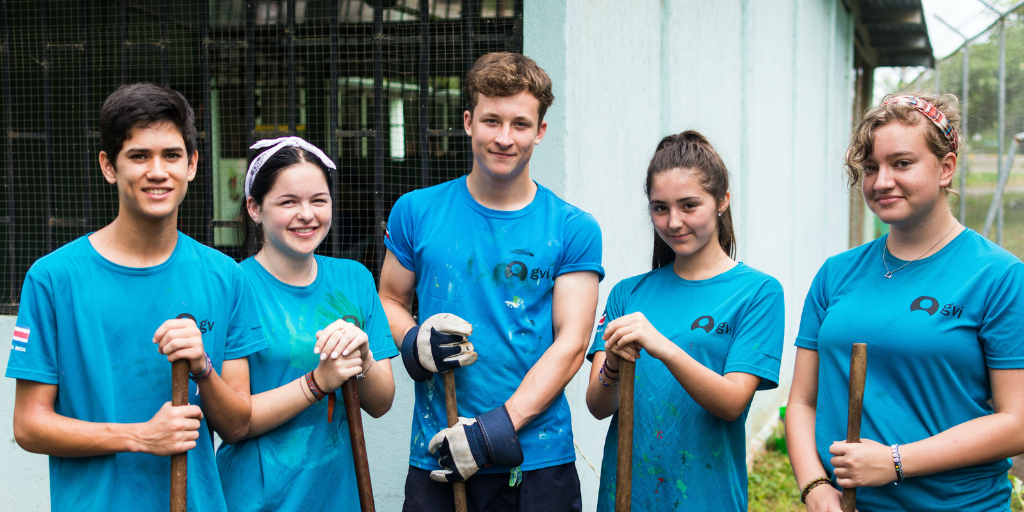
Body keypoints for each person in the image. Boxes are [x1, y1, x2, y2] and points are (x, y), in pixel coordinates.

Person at [6, 83, 267, 511]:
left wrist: (203, 369)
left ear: (193, 164)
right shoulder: (54, 278)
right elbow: (30, 426)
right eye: (139, 156)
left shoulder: (225, 277)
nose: (157, 171)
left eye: (171, 155)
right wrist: (140, 436)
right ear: (109, 166)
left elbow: (238, 424)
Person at [379, 52, 604, 512]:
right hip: (438, 453)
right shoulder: (415, 211)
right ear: (467, 121)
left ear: (540, 131)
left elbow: (572, 344)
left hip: (538, 460)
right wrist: (412, 341)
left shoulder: (573, 228)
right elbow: (390, 298)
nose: (504, 138)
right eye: (491, 121)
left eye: (520, 124)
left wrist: (493, 432)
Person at [787, 92, 1024, 511]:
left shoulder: (998, 275)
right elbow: (803, 401)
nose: (881, 182)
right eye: (870, 168)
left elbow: (1017, 421)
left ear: (946, 168)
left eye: (902, 163)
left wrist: (895, 461)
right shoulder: (836, 273)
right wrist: (815, 487)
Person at [584, 131, 785, 511]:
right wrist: (611, 363)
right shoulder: (627, 295)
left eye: (689, 205)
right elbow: (598, 405)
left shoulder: (758, 292)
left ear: (722, 201)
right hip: (627, 495)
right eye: (660, 208)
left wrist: (662, 347)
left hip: (707, 497)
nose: (673, 221)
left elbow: (731, 403)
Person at [215, 136, 398, 511]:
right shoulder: (233, 286)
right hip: (256, 498)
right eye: (288, 202)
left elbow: (380, 404)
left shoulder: (354, 279)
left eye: (318, 200)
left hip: (339, 495)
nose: (307, 214)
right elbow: (233, 423)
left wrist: (363, 360)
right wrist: (318, 383)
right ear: (254, 207)